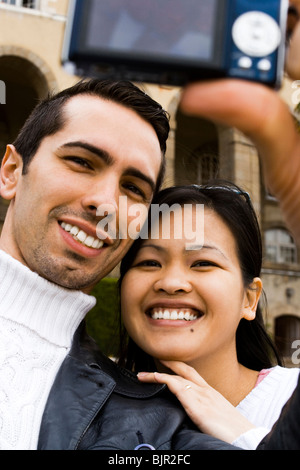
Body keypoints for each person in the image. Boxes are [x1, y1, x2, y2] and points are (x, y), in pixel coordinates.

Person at [0, 78, 240, 451]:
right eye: (81, 162)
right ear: (12, 172)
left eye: (133, 188)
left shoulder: (156, 428)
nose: (107, 204)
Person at [118, 181, 300, 450]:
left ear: (249, 299)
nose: (171, 282)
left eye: (203, 263)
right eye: (149, 262)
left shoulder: (290, 396)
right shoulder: (89, 410)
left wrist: (245, 437)